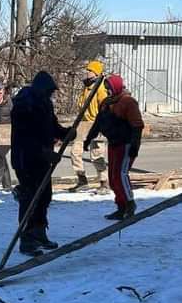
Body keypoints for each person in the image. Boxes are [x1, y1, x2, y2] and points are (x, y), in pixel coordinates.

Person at [10, 71, 74, 256]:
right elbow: (25, 137)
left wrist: (66, 133)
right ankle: (27, 240)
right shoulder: (24, 105)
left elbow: (51, 127)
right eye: (48, 91)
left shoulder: (44, 103)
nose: (50, 95)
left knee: (44, 196)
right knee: (30, 197)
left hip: (42, 160)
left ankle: (39, 233)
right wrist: (44, 153)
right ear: (40, 89)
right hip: (25, 159)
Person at [84, 74, 144, 220]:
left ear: (116, 87)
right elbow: (98, 123)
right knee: (113, 177)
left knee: (121, 175)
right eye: (106, 88)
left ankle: (130, 204)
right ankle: (120, 206)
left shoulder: (128, 102)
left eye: (109, 88)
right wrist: (88, 139)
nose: (108, 91)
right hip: (113, 143)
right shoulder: (106, 103)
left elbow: (137, 125)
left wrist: (135, 145)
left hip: (126, 144)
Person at [70, 60, 108, 191]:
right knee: (75, 152)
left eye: (90, 70)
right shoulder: (86, 87)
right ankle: (82, 180)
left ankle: (104, 182)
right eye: (87, 69)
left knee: (97, 155)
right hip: (84, 125)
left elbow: (105, 109)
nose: (87, 72)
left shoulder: (101, 89)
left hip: (97, 125)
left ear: (96, 73)